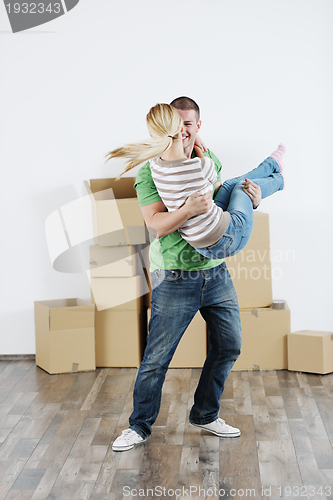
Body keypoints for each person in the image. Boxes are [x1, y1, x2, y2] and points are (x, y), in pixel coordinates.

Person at [107, 97, 263, 452]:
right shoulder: (150, 172)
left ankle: (205, 414)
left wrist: (250, 202)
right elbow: (156, 225)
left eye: (188, 124)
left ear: (197, 126)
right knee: (157, 359)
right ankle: (139, 426)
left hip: (215, 273)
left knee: (229, 345)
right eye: (175, 126)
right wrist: (189, 207)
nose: (182, 131)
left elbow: (219, 206)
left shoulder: (209, 161)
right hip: (175, 277)